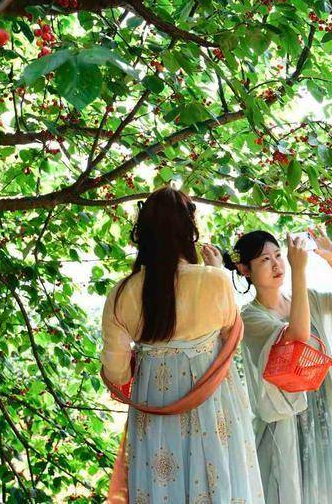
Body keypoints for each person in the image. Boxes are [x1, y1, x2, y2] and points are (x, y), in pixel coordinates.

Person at [99, 187, 264, 504]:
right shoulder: (215, 281)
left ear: (142, 233)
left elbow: (117, 374)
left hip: (155, 409)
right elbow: (231, 339)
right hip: (214, 406)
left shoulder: (121, 294)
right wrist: (214, 270)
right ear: (189, 230)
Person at [204, 228, 332, 504]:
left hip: (320, 410)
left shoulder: (306, 299)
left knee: (322, 490)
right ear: (245, 270)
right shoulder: (251, 317)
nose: (276, 264)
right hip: (284, 422)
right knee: (288, 490)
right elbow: (297, 336)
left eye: (279, 255)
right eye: (264, 260)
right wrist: (299, 270)